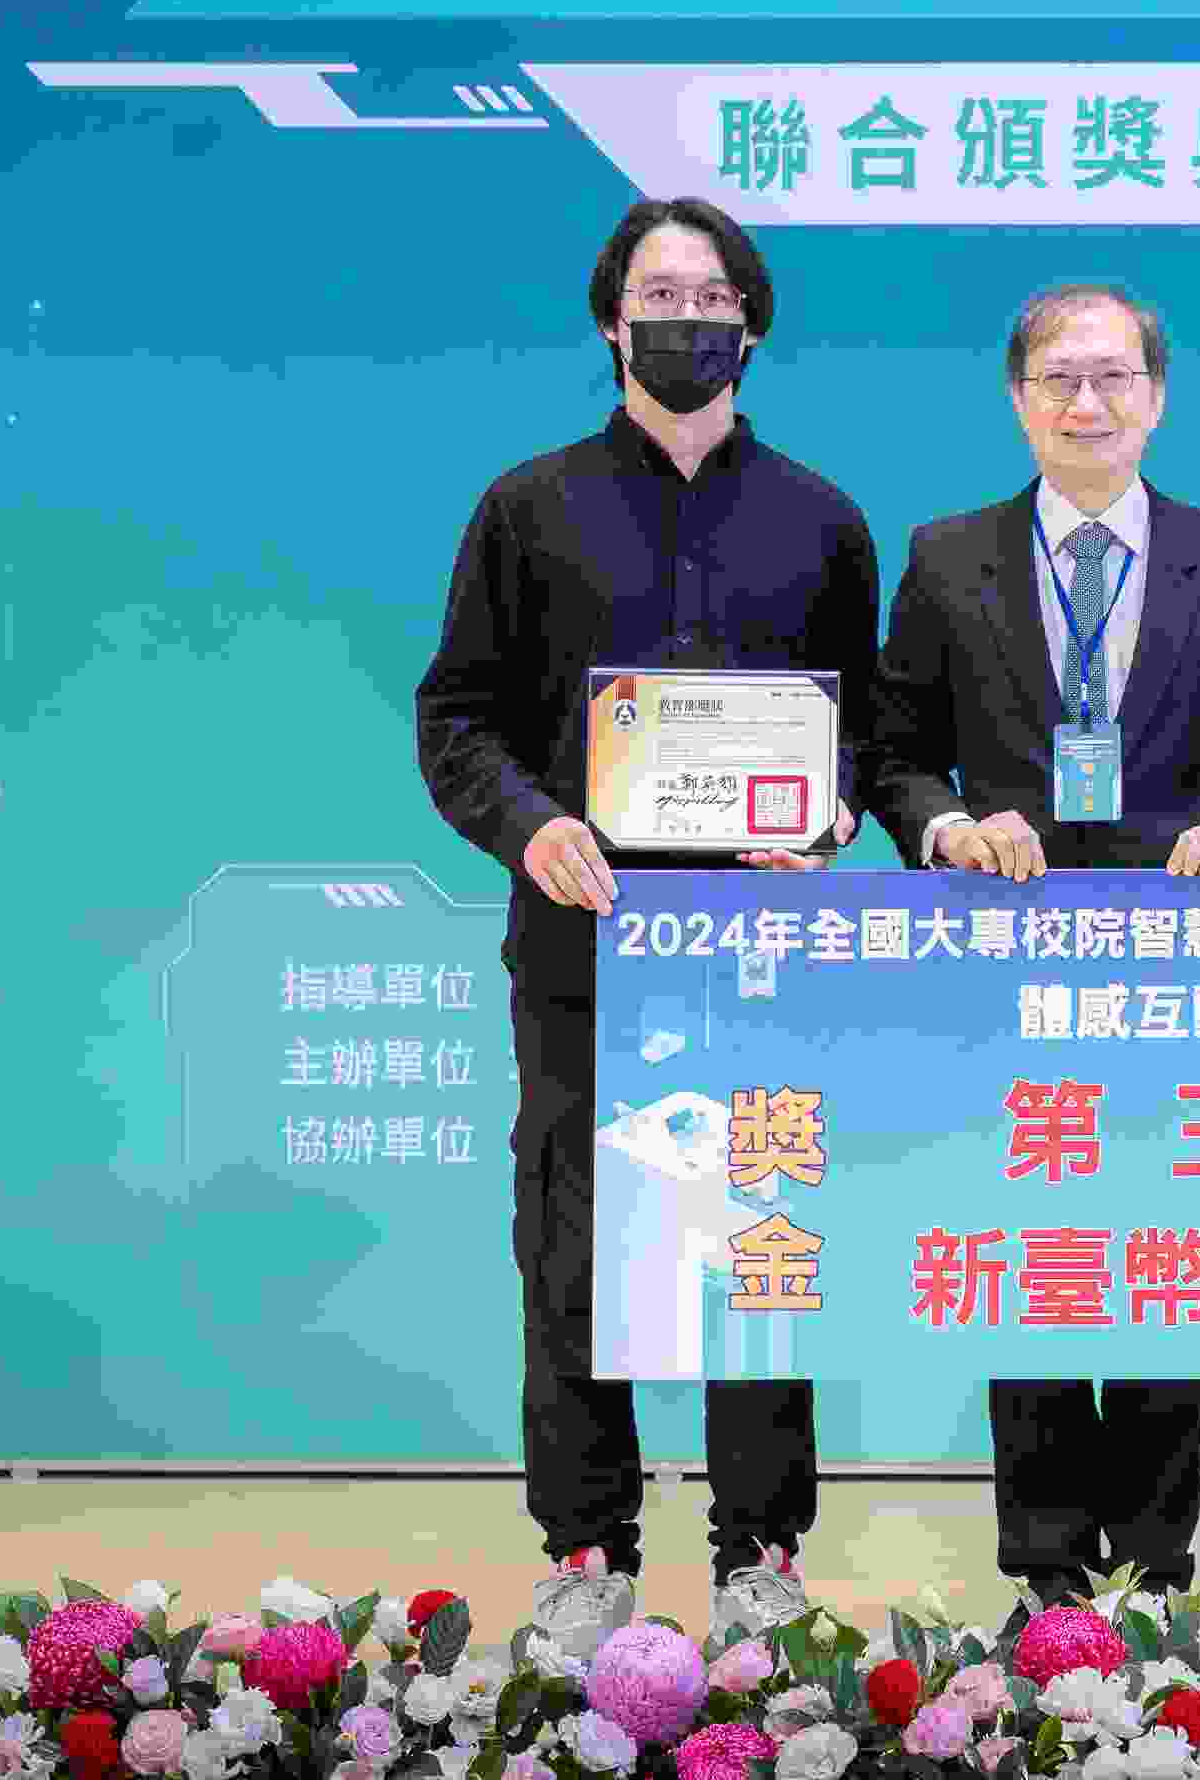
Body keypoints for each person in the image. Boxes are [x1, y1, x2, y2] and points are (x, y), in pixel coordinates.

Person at [413, 197, 880, 1658]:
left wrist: (827, 819)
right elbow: (457, 719)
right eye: (660, 295)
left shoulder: (822, 520)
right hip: (584, 946)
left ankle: (763, 1553)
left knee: (761, 1244)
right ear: (611, 322)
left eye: (713, 295)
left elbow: (868, 730)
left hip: (760, 954)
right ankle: (585, 1547)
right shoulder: (526, 507)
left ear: (753, 323)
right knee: (573, 1242)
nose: (688, 319)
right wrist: (529, 826)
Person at [859, 282, 1200, 1645]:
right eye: (1058, 378)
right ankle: (1046, 1567)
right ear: (1018, 399)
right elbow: (892, 755)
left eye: (1113, 377)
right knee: (1034, 1251)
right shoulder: (946, 558)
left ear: (1156, 397)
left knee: (1168, 1248)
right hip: (1009, 955)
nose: (1086, 403)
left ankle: (1157, 1565)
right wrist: (944, 828)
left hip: (1172, 954)